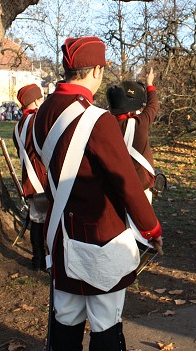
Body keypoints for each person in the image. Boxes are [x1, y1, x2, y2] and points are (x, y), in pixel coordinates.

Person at [33, 36, 163, 350]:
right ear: (97, 71)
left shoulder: (42, 114)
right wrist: (151, 228)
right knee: (105, 321)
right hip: (101, 238)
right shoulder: (97, 120)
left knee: (66, 317)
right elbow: (127, 184)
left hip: (62, 237)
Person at [107, 67, 158, 203]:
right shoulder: (139, 123)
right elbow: (153, 106)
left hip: (114, 186)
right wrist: (150, 84)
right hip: (141, 186)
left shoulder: (105, 126)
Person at [12, 83, 48, 271]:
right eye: (40, 97)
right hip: (45, 179)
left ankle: (38, 260)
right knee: (49, 220)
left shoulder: (17, 127)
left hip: (30, 181)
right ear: (35, 100)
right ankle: (50, 259)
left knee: (36, 220)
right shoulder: (40, 120)